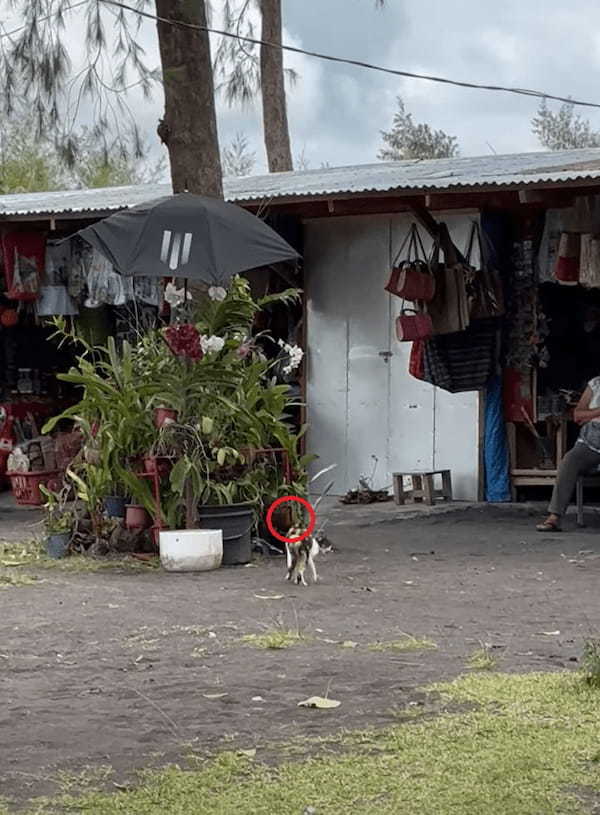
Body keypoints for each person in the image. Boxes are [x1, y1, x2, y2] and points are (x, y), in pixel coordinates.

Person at [537, 377, 600, 531]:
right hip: (590, 442)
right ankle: (554, 517)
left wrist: (590, 415)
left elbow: (584, 416)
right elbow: (577, 415)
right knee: (570, 460)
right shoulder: (596, 384)